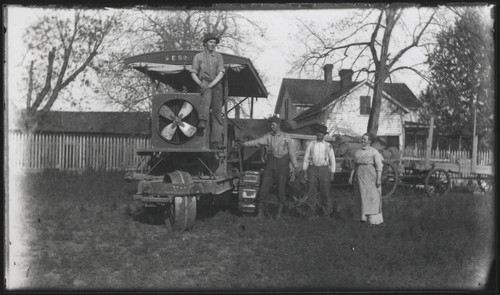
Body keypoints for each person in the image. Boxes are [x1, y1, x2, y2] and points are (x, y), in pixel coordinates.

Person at [240, 116, 299, 220]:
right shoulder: (268, 137)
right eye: (271, 124)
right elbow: (257, 142)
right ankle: (260, 214)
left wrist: (295, 165)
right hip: (270, 163)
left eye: (273, 124)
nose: (271, 126)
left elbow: (292, 152)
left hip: (283, 164)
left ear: (278, 125)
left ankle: (278, 215)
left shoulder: (286, 137)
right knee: (264, 188)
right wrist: (244, 144)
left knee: (281, 189)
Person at [190, 33, 225, 149]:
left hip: (216, 84)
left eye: (214, 43)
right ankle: (202, 120)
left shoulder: (218, 57)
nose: (213, 44)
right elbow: (193, 72)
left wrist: (213, 83)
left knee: (217, 112)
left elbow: (221, 72)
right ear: (205, 43)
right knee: (206, 95)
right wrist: (200, 83)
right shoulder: (198, 57)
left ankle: (216, 140)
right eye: (211, 42)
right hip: (204, 83)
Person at [348, 133, 384, 225]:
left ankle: (372, 219)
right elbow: (354, 166)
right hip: (360, 176)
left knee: (372, 196)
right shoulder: (358, 152)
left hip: (370, 176)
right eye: (362, 139)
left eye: (364, 139)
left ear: (369, 141)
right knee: (361, 195)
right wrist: (351, 177)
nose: (362, 141)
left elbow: (379, 166)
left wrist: (378, 179)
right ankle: (361, 217)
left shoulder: (374, 151)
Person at [303, 124, 336, 218]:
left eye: (321, 133)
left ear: (324, 135)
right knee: (311, 192)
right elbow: (306, 158)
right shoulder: (311, 144)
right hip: (313, 169)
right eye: (318, 133)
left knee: (325, 192)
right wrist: (305, 170)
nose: (319, 134)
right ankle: (310, 214)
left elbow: (332, 159)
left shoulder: (328, 145)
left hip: (324, 170)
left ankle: (326, 214)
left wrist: (332, 173)